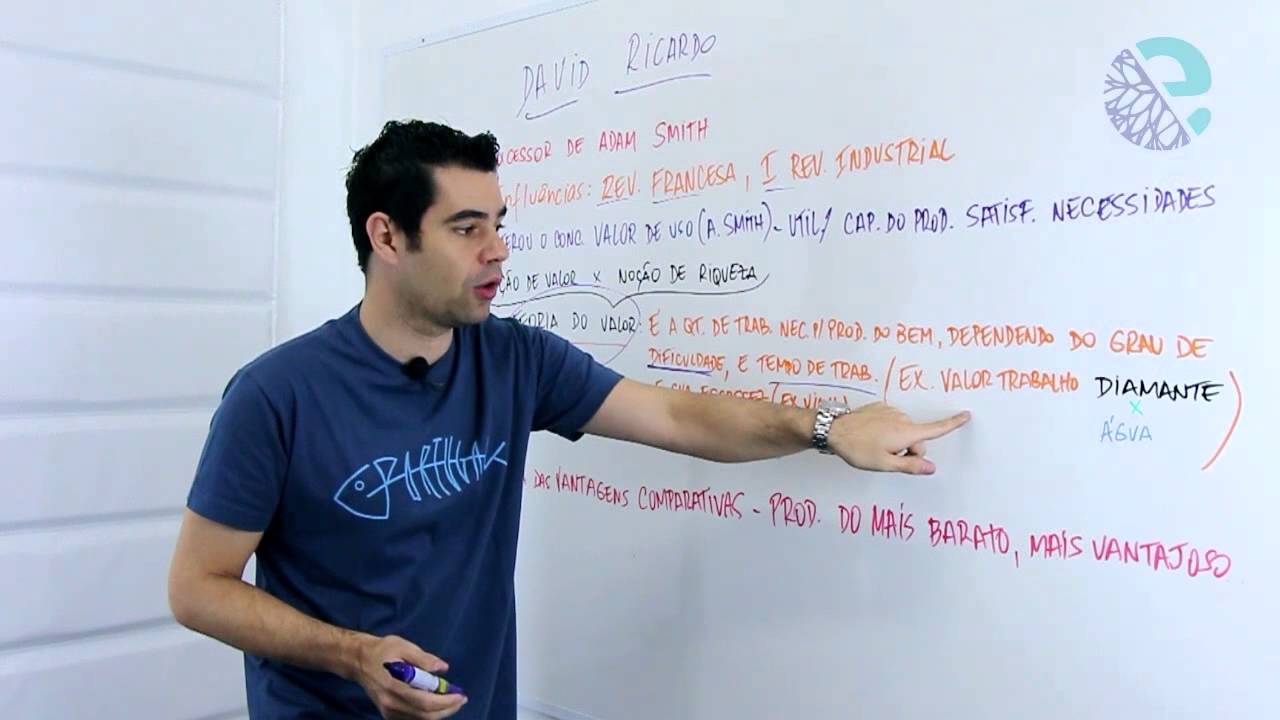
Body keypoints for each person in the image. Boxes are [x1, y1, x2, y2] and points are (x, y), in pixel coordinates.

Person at [167, 119, 970, 720]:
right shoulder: (277, 395)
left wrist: (827, 429)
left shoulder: (515, 360)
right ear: (388, 236)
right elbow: (198, 588)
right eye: (466, 228)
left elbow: (678, 416)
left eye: (499, 223)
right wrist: (353, 655)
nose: (497, 250)